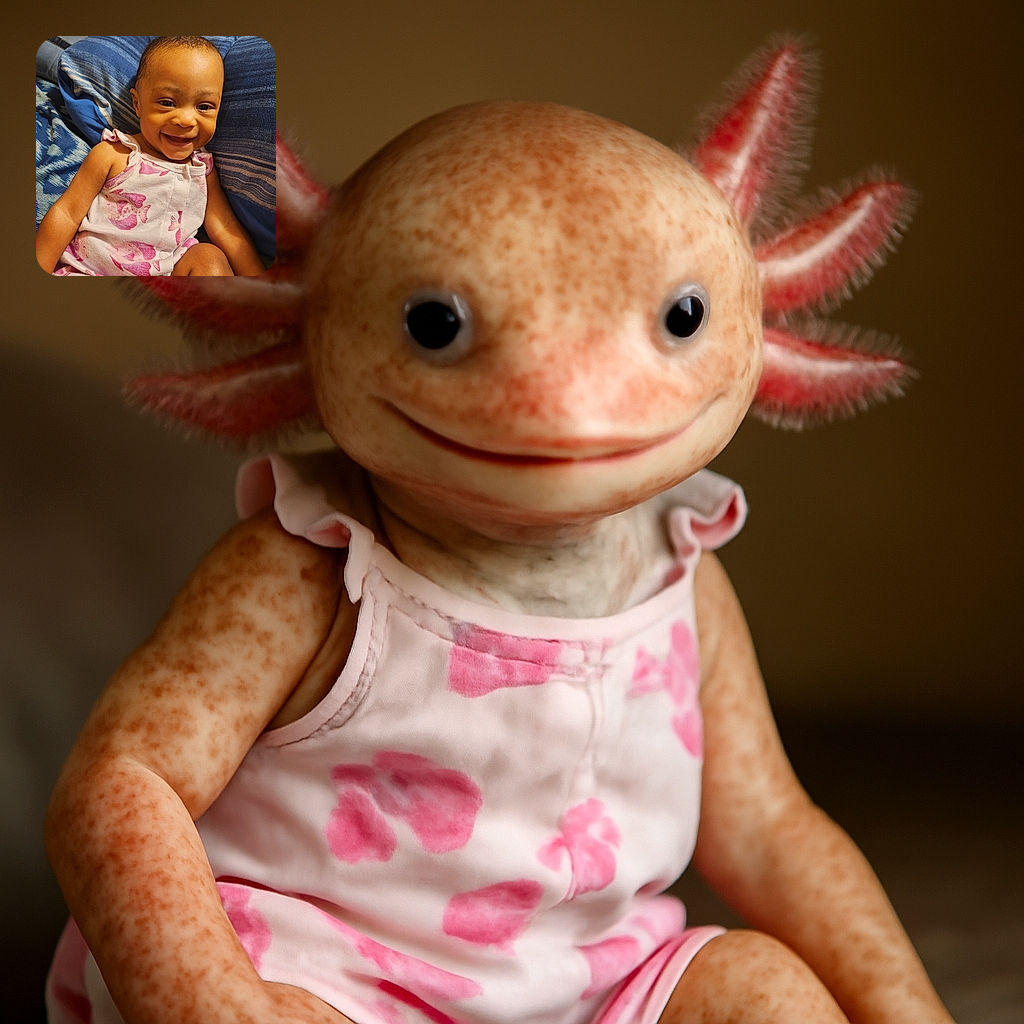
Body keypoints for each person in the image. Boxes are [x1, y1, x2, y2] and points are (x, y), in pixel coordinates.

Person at [45, 42, 956, 1024]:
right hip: (329, 982)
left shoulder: (683, 573)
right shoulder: (307, 569)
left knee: (765, 989)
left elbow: (772, 831)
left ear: (761, 310)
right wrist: (207, 1000)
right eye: (439, 324)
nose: (566, 399)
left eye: (679, 317)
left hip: (592, 989)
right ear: (291, 324)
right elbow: (122, 780)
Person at [35, 36, 263, 277]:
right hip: (91, 273)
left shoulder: (202, 169)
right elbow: (67, 213)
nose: (186, 120)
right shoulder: (114, 153)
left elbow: (225, 228)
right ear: (137, 103)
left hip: (166, 282)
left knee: (209, 257)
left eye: (204, 106)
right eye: (167, 102)